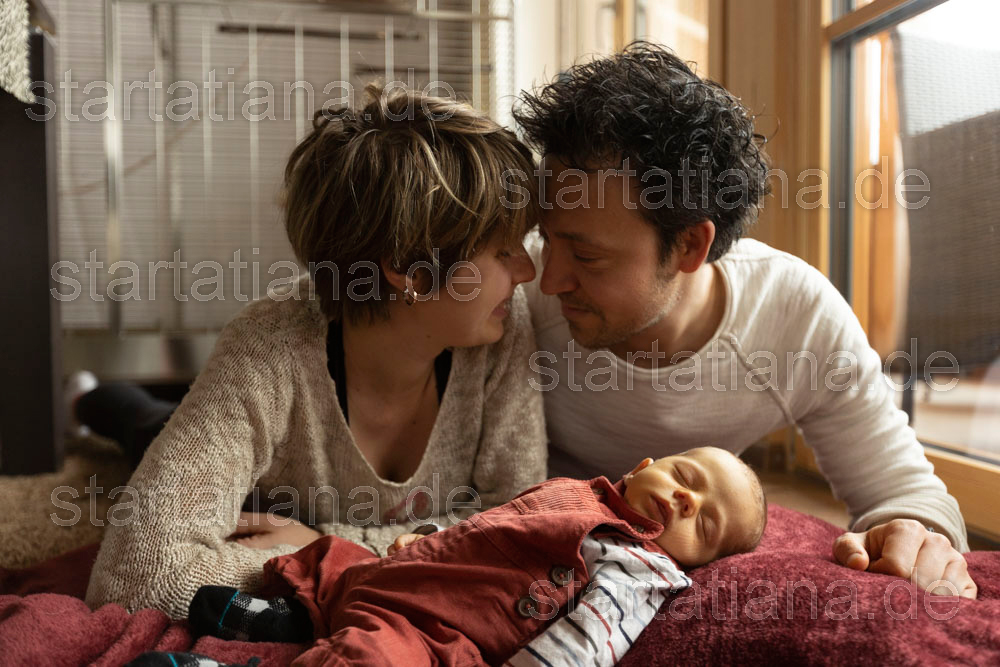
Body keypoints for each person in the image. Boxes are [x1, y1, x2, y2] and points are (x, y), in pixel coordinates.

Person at [511, 41, 975, 600]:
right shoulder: (510, 291)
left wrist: (916, 537)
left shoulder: (795, 316)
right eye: (547, 237)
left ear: (690, 245)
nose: (548, 279)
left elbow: (905, 490)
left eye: (586, 256)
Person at [83, 82, 548, 621]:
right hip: (251, 471)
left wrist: (328, 550)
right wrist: (410, 553)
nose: (527, 272)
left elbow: (520, 529)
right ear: (412, 270)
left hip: (300, 514)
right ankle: (88, 399)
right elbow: (135, 578)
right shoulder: (269, 345)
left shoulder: (500, 325)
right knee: (142, 425)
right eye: (505, 251)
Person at [126, 447, 767, 667]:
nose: (685, 500)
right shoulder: (576, 489)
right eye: (686, 477)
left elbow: (587, 643)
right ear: (646, 465)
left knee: (376, 660)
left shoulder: (638, 568)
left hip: (437, 632)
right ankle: (293, 619)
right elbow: (490, 525)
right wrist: (429, 536)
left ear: (695, 562)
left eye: (703, 521)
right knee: (336, 558)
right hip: (413, 575)